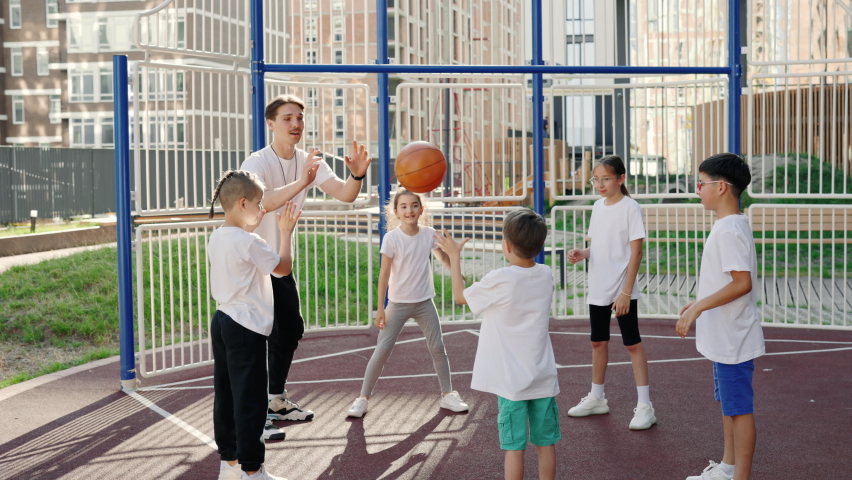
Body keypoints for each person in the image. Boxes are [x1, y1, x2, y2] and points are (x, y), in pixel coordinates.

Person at [239, 94, 372, 433]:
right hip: (252, 261)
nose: (296, 123)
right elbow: (262, 202)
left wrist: (356, 176)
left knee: (291, 329)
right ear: (271, 123)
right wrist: (302, 182)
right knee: (259, 334)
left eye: (299, 117)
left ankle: (275, 399)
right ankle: (256, 410)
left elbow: (344, 195)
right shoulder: (256, 163)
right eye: (287, 118)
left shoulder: (308, 160)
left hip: (279, 260)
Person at [435, 209, 560, 480]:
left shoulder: (500, 279)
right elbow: (476, 292)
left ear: (506, 246)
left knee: (514, 448)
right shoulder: (546, 274)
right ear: (540, 246)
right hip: (542, 376)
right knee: (545, 443)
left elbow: (460, 296)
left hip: (511, 381)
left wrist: (453, 257)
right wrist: (450, 261)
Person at [207, 170, 300, 480]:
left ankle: (229, 465)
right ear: (243, 202)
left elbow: (243, 249)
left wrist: (252, 229)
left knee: (227, 394)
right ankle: (252, 471)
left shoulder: (218, 235)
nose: (264, 209)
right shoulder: (250, 242)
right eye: (259, 203)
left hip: (223, 320)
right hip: (246, 327)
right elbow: (283, 268)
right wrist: (286, 232)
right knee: (251, 401)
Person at [676, 153, 764, 480]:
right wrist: (697, 302)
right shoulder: (728, 226)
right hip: (725, 338)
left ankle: (739, 475)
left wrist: (700, 307)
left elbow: (742, 283)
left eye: (701, 183)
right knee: (729, 406)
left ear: (722, 187)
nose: (697, 189)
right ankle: (728, 467)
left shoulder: (729, 230)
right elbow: (725, 281)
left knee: (739, 411)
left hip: (734, 338)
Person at [345, 188, 469, 418]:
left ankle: (447, 395)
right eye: (403, 206)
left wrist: (456, 270)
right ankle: (362, 399)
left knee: (437, 348)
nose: (409, 210)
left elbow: (442, 257)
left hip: (424, 302)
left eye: (414, 205)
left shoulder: (429, 234)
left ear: (421, 209)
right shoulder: (392, 238)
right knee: (382, 351)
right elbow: (384, 274)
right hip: (398, 304)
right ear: (396, 211)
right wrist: (380, 308)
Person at [565, 155, 656, 430]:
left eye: (606, 178)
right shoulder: (597, 207)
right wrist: (584, 253)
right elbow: (603, 245)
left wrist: (626, 292)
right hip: (599, 288)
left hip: (622, 288)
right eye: (596, 179)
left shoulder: (631, 207)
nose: (600, 184)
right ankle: (597, 397)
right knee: (597, 343)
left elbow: (636, 252)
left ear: (621, 179)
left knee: (632, 344)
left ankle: (645, 406)